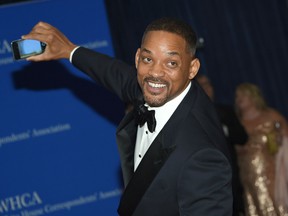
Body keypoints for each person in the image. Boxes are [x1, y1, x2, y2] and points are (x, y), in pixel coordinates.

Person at [22, 17, 233, 215]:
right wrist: (68, 50)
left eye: (171, 63)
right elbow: (116, 74)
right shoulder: (158, 88)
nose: (155, 73)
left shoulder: (203, 156)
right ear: (137, 57)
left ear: (192, 68)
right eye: (148, 59)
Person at [196, 74, 248, 216]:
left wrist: (223, 128)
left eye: (208, 84)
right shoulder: (193, 115)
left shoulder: (226, 111)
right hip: (207, 179)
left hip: (231, 174)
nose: (206, 88)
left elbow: (242, 138)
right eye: (202, 85)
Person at [235, 82, 288, 216]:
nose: (239, 98)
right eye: (237, 96)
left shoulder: (271, 116)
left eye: (243, 94)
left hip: (273, 172)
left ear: (253, 96)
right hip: (248, 175)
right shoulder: (237, 123)